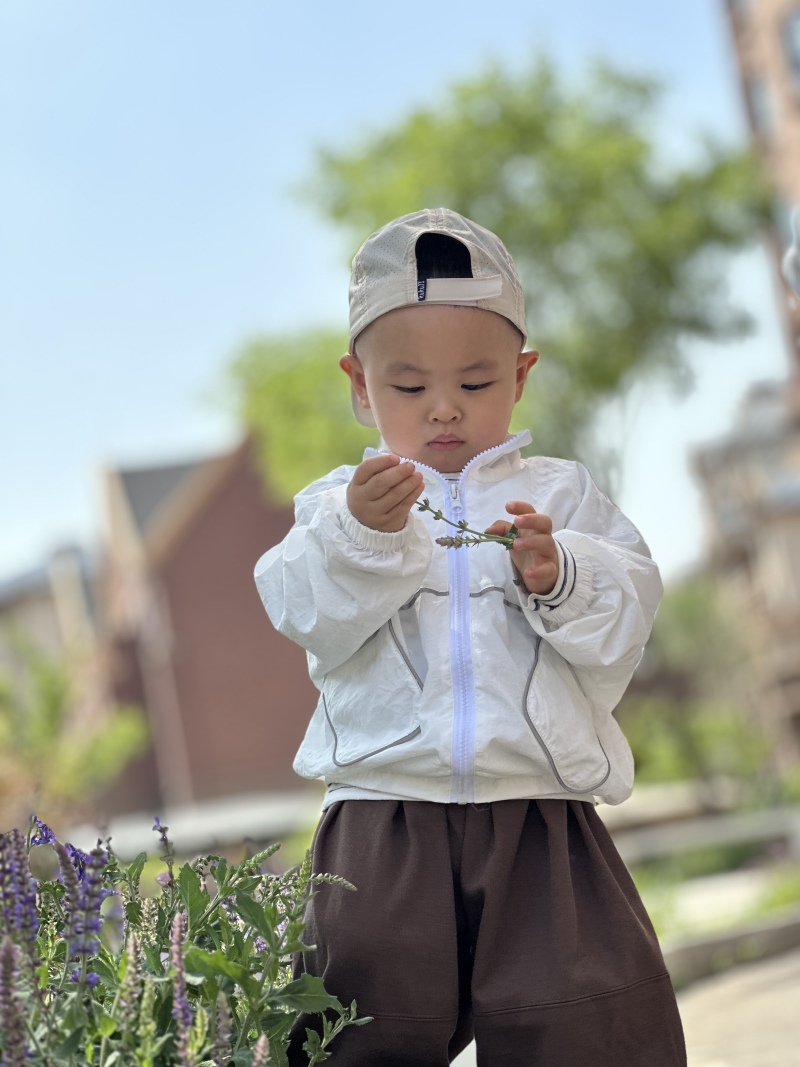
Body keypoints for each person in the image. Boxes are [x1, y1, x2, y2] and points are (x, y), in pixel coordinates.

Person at [254, 207, 686, 1066]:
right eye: (410, 388)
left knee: (588, 1023)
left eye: (477, 383)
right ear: (360, 386)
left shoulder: (562, 495)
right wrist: (363, 538)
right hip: (382, 815)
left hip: (540, 813)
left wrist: (561, 573)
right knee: (356, 1027)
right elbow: (299, 608)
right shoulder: (337, 505)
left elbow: (631, 609)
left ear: (521, 375)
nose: (445, 409)